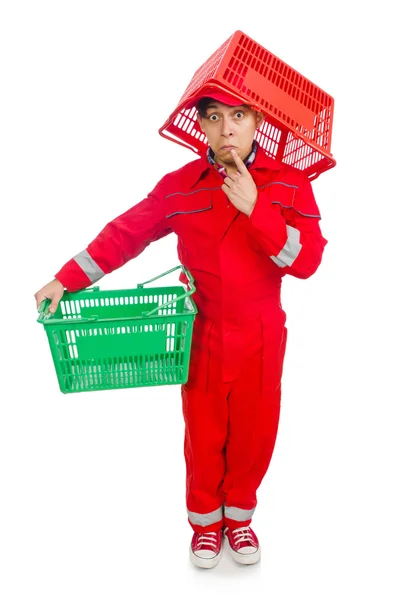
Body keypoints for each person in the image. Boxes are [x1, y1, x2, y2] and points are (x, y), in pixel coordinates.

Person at [34, 88, 328, 569]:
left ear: (257, 122)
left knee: (255, 433)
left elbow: (308, 262)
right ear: (202, 128)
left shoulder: (289, 184)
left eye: (238, 115)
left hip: (261, 335)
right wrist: (65, 279)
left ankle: (240, 519)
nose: (226, 128)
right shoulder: (181, 185)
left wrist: (257, 207)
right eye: (214, 118)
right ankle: (206, 526)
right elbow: (125, 234)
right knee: (205, 433)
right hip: (202, 334)